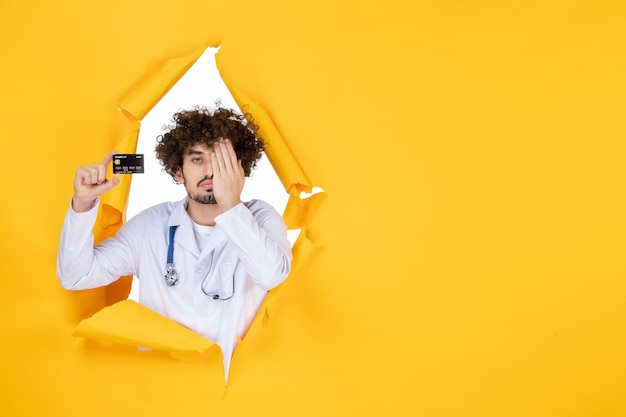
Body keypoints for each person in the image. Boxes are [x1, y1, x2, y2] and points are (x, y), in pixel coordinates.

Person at [57, 106, 292, 378]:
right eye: (197, 159)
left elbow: (272, 275)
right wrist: (83, 204)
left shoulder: (261, 218)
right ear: (178, 172)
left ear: (240, 168)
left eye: (222, 160)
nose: (211, 171)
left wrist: (231, 204)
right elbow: (76, 276)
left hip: (238, 393)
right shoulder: (150, 227)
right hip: (164, 394)